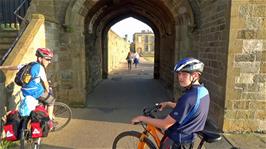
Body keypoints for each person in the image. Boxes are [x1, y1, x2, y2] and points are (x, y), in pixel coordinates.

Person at [131, 57, 210, 149]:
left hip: (177, 141)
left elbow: (165, 124)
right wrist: (168, 104)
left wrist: (141, 118)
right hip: (190, 136)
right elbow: (189, 108)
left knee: (162, 127)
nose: (180, 77)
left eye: (184, 74)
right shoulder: (203, 91)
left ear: (195, 76)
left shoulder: (188, 98)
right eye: (179, 74)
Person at [0, 48, 56, 122]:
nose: (49, 62)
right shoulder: (40, 68)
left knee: (37, 104)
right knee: (51, 101)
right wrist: (48, 92)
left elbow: (15, 67)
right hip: (35, 92)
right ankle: (49, 122)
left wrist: (2, 67)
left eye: (50, 60)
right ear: (40, 58)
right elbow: (45, 83)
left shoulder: (29, 65)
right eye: (47, 59)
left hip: (25, 92)